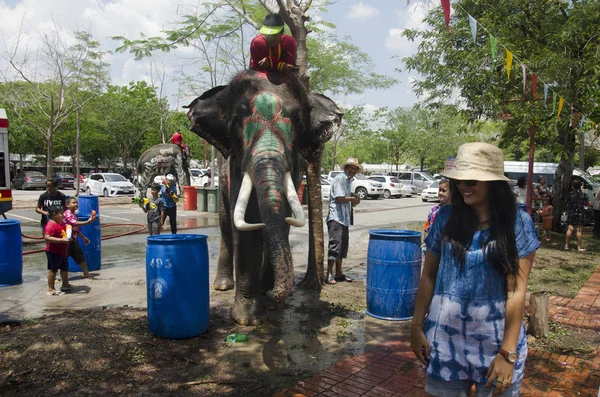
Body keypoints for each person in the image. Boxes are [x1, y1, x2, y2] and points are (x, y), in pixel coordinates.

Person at [411, 142, 538, 396]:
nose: (463, 186)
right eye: (459, 181)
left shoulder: (517, 224)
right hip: (444, 342)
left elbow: (516, 291)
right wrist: (415, 327)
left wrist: (508, 353)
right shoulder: (445, 218)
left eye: (472, 181)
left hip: (496, 345)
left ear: (493, 184)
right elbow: (429, 276)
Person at [325, 158, 361, 285]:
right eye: (350, 167)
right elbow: (339, 198)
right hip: (336, 218)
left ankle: (339, 273)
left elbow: (344, 195)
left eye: (354, 168)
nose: (352, 170)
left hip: (344, 219)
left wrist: (353, 196)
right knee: (335, 246)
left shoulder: (348, 181)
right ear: (346, 168)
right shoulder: (340, 178)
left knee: (342, 247)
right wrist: (353, 199)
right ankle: (329, 274)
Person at [63, 197, 96, 278]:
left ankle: (86, 273)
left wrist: (83, 237)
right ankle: (57, 277)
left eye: (77, 203)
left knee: (80, 257)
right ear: (67, 205)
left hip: (73, 240)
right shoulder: (67, 214)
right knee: (62, 260)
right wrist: (88, 222)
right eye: (73, 203)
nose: (76, 204)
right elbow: (75, 224)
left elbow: (76, 229)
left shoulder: (74, 214)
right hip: (66, 241)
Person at [44, 205, 72, 295]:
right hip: (53, 252)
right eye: (61, 213)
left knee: (64, 268)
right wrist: (62, 240)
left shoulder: (60, 223)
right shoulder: (50, 225)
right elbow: (47, 237)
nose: (63, 215)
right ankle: (50, 288)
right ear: (54, 215)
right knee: (53, 269)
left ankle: (65, 284)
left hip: (62, 251)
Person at [564, 178, 589, 251]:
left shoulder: (570, 194)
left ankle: (566, 245)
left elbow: (566, 203)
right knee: (579, 230)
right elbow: (587, 203)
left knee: (570, 228)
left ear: (572, 186)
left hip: (571, 212)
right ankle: (579, 247)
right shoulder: (583, 194)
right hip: (580, 212)